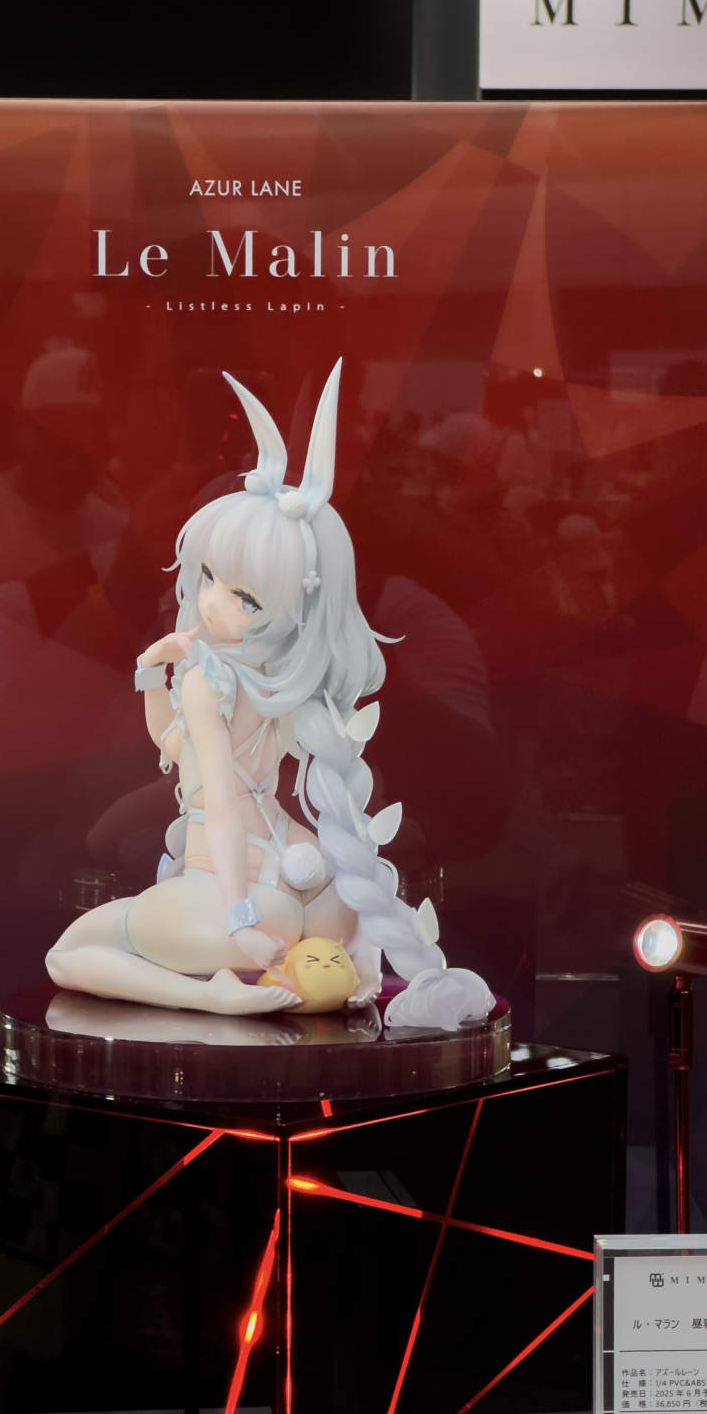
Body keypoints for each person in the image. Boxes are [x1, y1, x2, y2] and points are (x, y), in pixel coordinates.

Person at [46, 361, 492, 1028]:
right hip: (319, 894)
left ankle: (211, 994)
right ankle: (353, 968)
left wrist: (238, 916)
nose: (210, 601)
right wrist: (148, 674)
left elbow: (222, 809)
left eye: (244, 596)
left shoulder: (210, 680)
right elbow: (172, 742)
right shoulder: (288, 677)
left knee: (69, 954)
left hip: (239, 892)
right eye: (209, 578)